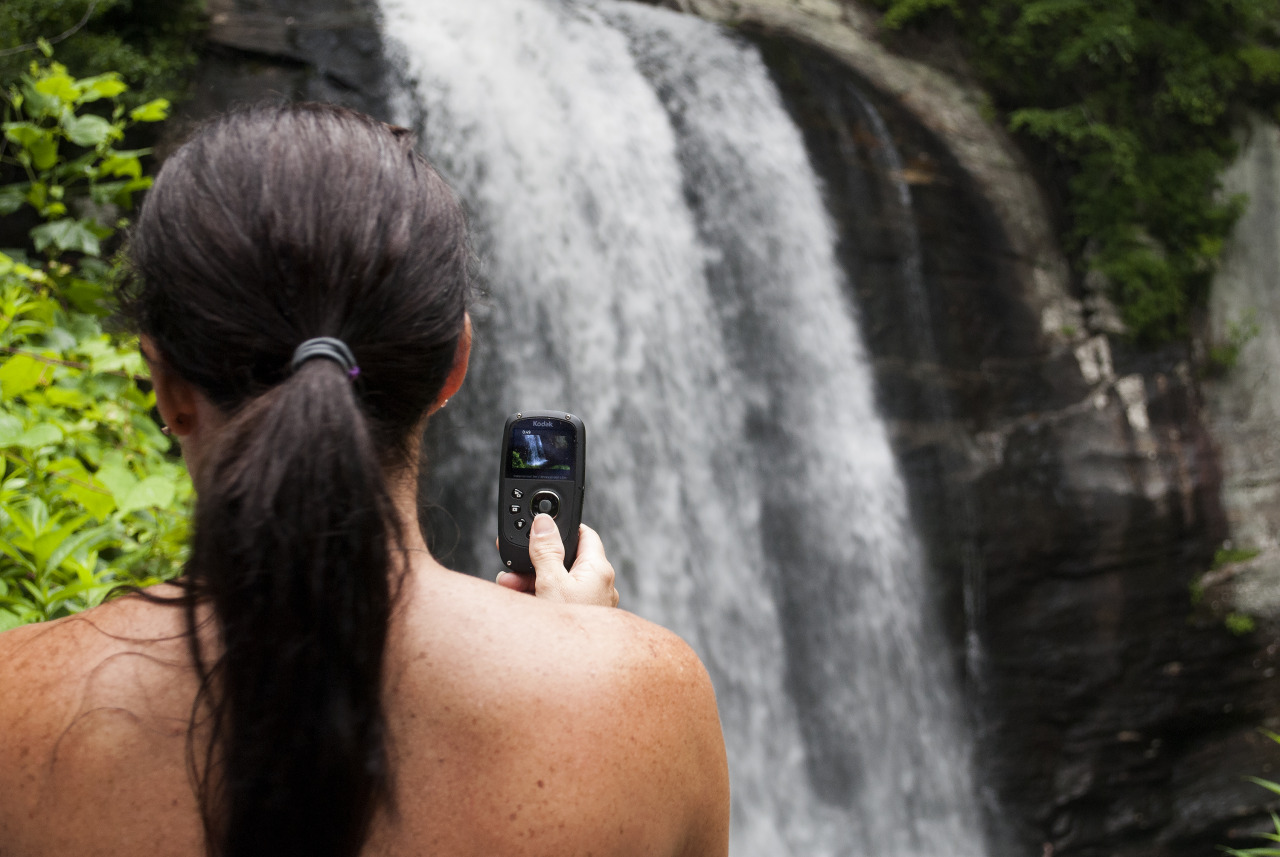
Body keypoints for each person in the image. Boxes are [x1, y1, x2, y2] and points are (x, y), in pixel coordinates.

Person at [0, 103, 729, 857]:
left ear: (165, 381)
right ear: (454, 364)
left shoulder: (14, 706)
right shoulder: (649, 701)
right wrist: (584, 650)